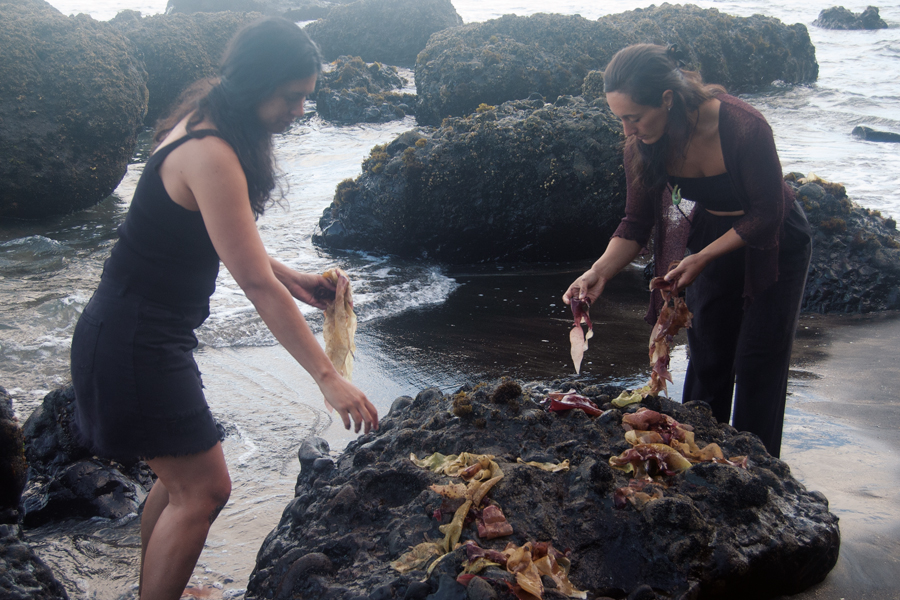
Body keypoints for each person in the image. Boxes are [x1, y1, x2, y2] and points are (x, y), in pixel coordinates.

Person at [70, 17, 379, 600]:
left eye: (305, 99)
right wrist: (327, 375)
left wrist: (294, 279)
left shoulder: (210, 124)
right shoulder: (210, 150)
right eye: (291, 97)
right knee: (205, 491)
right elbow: (253, 284)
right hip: (136, 344)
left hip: (134, 335)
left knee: (180, 481)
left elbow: (229, 239)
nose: (298, 111)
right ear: (258, 83)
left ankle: (158, 586)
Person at [563, 44, 811, 458]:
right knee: (709, 354)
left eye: (633, 117)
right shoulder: (643, 144)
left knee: (757, 364)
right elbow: (636, 223)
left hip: (775, 241)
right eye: (620, 118)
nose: (627, 130)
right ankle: (697, 460)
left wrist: (701, 257)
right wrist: (598, 272)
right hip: (713, 232)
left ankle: (756, 470)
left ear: (666, 98)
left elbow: (768, 212)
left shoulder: (742, 126)